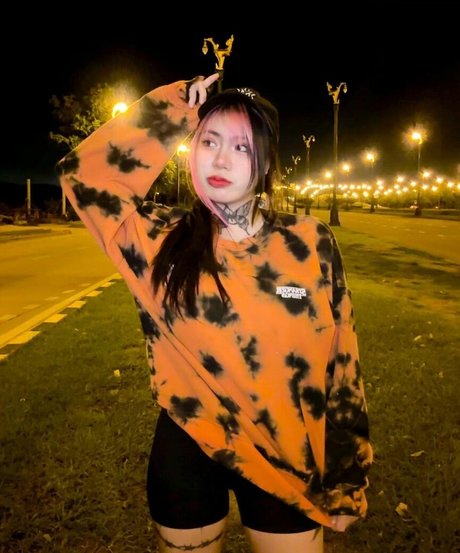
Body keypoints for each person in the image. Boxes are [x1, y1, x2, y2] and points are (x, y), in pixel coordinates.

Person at [57, 73, 372, 553]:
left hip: (287, 456)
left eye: (242, 147)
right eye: (209, 141)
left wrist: (348, 475)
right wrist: (172, 110)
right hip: (187, 453)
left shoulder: (310, 242)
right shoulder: (158, 240)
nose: (221, 159)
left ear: (266, 163)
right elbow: (85, 177)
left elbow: (341, 359)